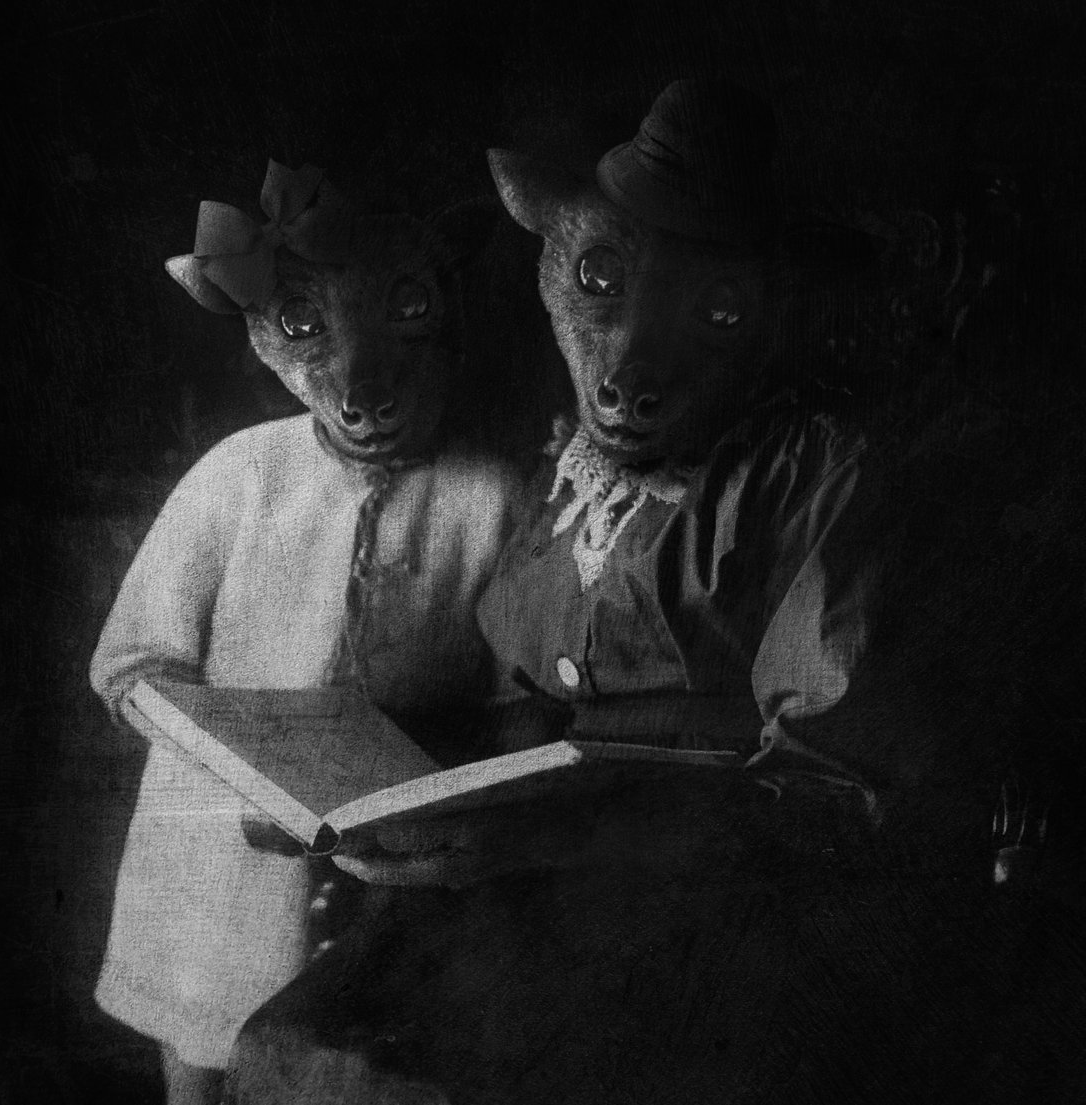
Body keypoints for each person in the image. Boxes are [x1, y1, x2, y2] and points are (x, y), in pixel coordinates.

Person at [227, 82, 893, 1105]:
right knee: (291, 1052)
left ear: (773, 310)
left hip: (698, 909)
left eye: (714, 310)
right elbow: (525, 700)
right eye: (600, 279)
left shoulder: (813, 472)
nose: (628, 368)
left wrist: (549, 836)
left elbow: (828, 798)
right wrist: (347, 799)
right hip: (521, 881)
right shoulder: (573, 471)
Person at [89, 163, 521, 1105]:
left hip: (394, 865)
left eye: (402, 311)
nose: (361, 387)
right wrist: (228, 745)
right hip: (215, 859)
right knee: (202, 1041)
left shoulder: (491, 493)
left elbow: (512, 697)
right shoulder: (240, 473)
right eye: (302, 325)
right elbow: (133, 658)